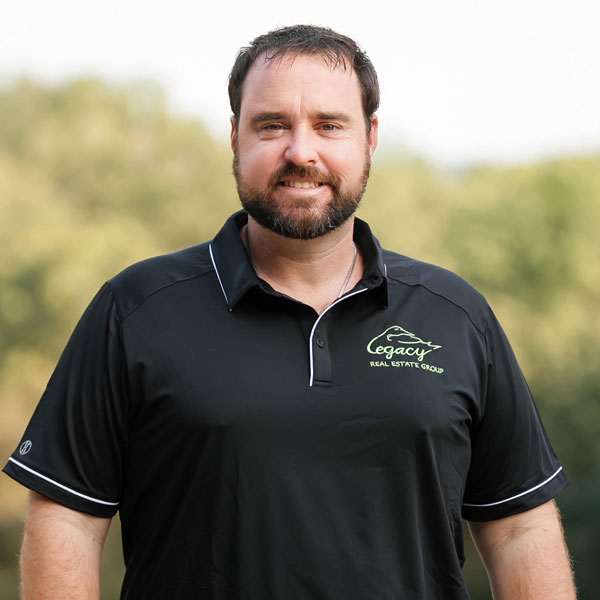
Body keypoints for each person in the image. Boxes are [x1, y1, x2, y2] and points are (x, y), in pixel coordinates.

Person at [4, 25, 576, 599]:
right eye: (272, 125)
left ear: (371, 138)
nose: (301, 152)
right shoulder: (136, 310)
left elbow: (520, 530)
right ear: (235, 137)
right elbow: (67, 520)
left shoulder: (456, 317)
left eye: (329, 125)